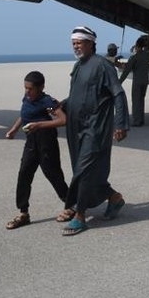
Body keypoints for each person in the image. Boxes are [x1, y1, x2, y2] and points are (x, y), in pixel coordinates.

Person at [59, 26, 129, 236]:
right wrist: (61, 104)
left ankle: (80, 215)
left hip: (96, 127)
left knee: (84, 169)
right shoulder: (78, 66)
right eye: (73, 43)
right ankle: (114, 198)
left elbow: (118, 93)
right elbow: (78, 94)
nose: (76, 46)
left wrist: (121, 124)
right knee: (84, 169)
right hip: (76, 127)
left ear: (90, 43)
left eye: (79, 42)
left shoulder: (103, 65)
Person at [3, 71, 70, 229]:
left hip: (47, 142)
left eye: (30, 88)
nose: (27, 91)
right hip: (31, 142)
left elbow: (63, 120)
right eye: (25, 88)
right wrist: (14, 129)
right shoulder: (27, 98)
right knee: (24, 174)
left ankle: (71, 205)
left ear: (41, 88)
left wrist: (39, 125)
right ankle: (23, 212)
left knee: (53, 175)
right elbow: (24, 114)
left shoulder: (47, 101)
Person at [119, 36, 149, 127]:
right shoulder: (146, 55)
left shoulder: (135, 57)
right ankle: (141, 119)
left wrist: (119, 81)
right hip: (145, 80)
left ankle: (136, 121)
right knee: (141, 100)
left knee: (136, 101)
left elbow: (127, 70)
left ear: (137, 46)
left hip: (137, 81)